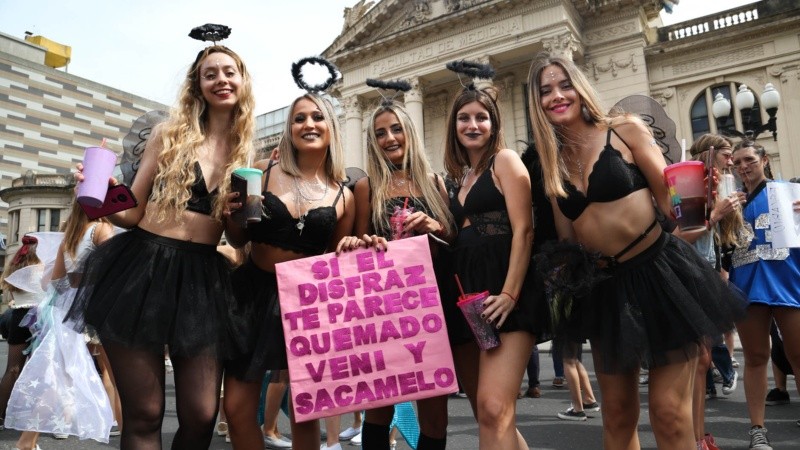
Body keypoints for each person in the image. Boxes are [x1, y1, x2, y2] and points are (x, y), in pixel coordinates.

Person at [526, 53, 745, 449]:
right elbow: (568, 240)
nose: (557, 95)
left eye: (564, 85)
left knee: (667, 412)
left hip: (659, 275)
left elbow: (673, 207)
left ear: (580, 87)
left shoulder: (624, 130)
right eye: (545, 90)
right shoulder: (549, 162)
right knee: (618, 417)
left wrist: (701, 202)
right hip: (605, 289)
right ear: (535, 102)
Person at [67, 35, 255, 449]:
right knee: (146, 413)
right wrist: (102, 193)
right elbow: (131, 212)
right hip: (143, 266)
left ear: (243, 81)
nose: (220, 80)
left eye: (229, 72)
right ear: (197, 85)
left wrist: (238, 217)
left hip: (204, 278)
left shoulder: (246, 154)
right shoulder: (168, 134)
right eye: (210, 74)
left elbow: (239, 238)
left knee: (202, 415)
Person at [222, 57, 356, 450]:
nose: (308, 124)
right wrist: (233, 216)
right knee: (237, 407)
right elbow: (234, 239)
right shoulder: (262, 171)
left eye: (317, 117)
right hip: (251, 296)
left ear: (331, 128)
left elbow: (336, 260)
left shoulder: (343, 195)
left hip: (307, 304)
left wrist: (354, 245)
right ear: (289, 129)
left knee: (306, 412)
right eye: (299, 118)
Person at [335, 78, 454, 450]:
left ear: (409, 133)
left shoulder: (435, 183)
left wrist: (436, 225)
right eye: (380, 132)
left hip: (432, 307)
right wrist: (362, 241)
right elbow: (353, 248)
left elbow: (453, 242)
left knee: (434, 409)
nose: (389, 138)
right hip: (384, 311)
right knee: (379, 408)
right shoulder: (368, 187)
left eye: (396, 129)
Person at [443, 60, 549, 449]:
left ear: (494, 123)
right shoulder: (462, 177)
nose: (473, 125)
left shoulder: (505, 161)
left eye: (481, 117)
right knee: (490, 411)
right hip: (473, 298)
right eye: (464, 118)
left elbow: (524, 230)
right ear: (453, 127)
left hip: (506, 295)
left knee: (492, 405)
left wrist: (509, 294)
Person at [5, 200, 116, 449]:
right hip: (94, 312)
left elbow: (54, 283)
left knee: (56, 375)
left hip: (63, 314)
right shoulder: (102, 229)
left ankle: (27, 441)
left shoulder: (70, 237)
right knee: (116, 376)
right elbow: (113, 270)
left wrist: (74, 283)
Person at [728, 140, 800, 450]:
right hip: (747, 282)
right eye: (736, 162)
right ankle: (757, 429)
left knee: (799, 355)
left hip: (786, 280)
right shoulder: (729, 202)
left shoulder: (789, 193)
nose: (743, 166)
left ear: (764, 159)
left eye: (748, 160)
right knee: (756, 357)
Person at [679, 134, 746, 450]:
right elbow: (681, 239)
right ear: (709, 154)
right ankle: (691, 437)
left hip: (705, 275)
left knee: (703, 361)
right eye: (727, 154)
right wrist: (716, 214)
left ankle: (698, 435)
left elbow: (720, 240)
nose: (731, 161)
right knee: (694, 362)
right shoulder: (686, 182)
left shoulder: (716, 184)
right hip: (685, 276)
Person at [0, 236, 42, 435]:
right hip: (41, 318)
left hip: (19, 316)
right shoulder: (44, 266)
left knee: (13, 369)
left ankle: (2, 414)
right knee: (41, 370)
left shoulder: (15, 268)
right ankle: (36, 418)